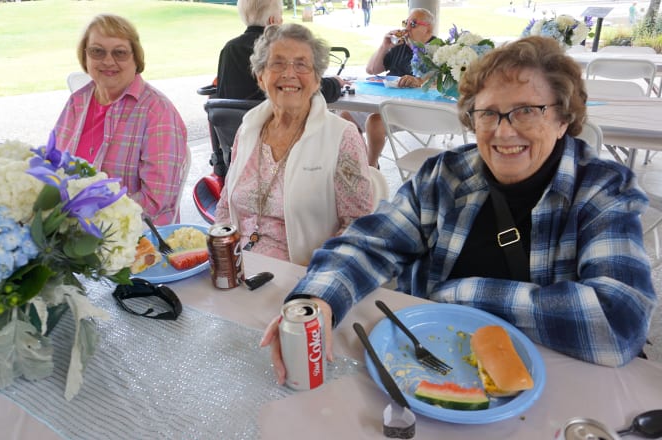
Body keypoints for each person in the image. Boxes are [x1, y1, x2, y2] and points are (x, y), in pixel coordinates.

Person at [261, 36, 657, 382]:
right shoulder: (447, 175)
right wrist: (316, 301)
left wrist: (459, 295)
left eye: (526, 111)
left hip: (551, 384)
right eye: (488, 113)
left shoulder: (602, 189)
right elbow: (368, 244)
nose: (503, 130)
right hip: (426, 364)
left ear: (562, 118)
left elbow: (617, 320)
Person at [214, 23, 373, 266]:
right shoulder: (248, 130)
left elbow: (357, 224)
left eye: (301, 64)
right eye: (277, 63)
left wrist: (320, 273)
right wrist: (220, 256)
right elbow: (226, 204)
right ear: (260, 77)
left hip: (303, 275)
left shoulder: (341, 137)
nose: (289, 73)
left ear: (318, 79)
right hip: (237, 267)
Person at [55, 14, 188, 225]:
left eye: (120, 53)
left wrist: (89, 215)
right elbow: (54, 166)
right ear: (85, 56)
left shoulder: (157, 112)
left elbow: (156, 201)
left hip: (130, 238)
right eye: (97, 51)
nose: (108, 61)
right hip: (70, 229)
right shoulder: (78, 102)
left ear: (136, 58)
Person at [215, 0, 346, 103]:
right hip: (275, 127)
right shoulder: (278, 50)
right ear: (272, 21)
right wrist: (335, 83)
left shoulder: (229, 49)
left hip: (233, 131)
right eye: (281, 17)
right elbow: (306, 89)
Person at [363, 7, 437, 168]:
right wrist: (384, 46)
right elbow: (371, 70)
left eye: (413, 24)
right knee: (345, 114)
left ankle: (370, 167)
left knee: (375, 120)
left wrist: (419, 81)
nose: (406, 28)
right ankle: (361, 161)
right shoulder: (400, 46)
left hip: (414, 109)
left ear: (428, 29)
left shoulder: (438, 50)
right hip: (384, 99)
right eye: (406, 23)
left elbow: (440, 82)